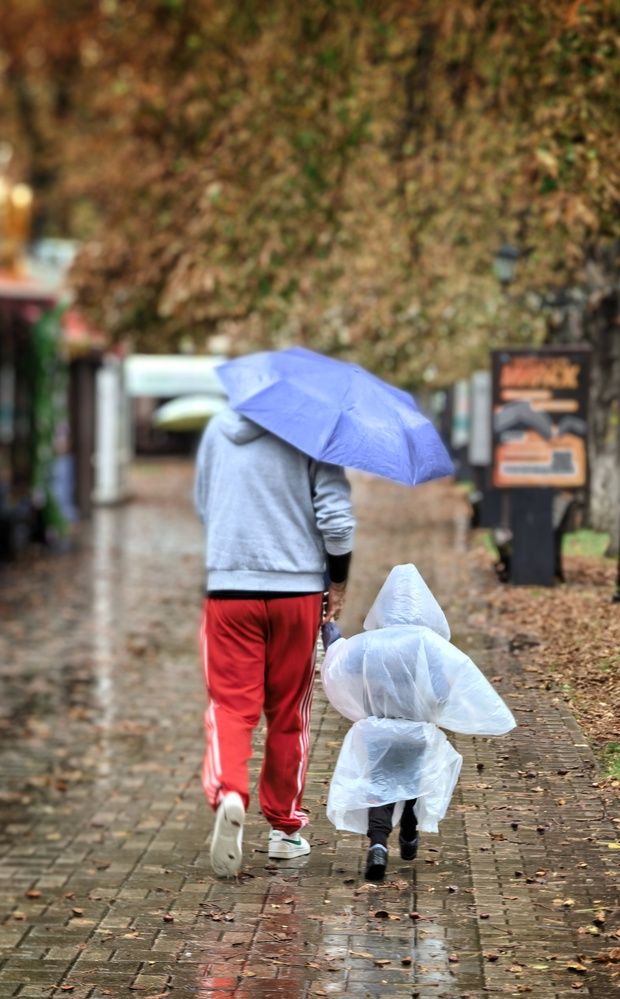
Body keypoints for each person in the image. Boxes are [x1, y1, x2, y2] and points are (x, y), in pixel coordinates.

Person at [195, 407, 355, 877]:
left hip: (229, 589)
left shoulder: (217, 428)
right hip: (297, 591)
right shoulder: (314, 430)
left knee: (230, 706)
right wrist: (339, 581)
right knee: (289, 711)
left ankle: (228, 791)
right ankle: (285, 831)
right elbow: (337, 519)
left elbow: (206, 503)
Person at [321, 564, 516, 882]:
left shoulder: (372, 644)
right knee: (410, 782)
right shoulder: (432, 646)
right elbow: (449, 685)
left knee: (379, 790)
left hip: (379, 730)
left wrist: (332, 636)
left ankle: (378, 845)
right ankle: (409, 828)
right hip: (417, 732)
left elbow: (342, 661)